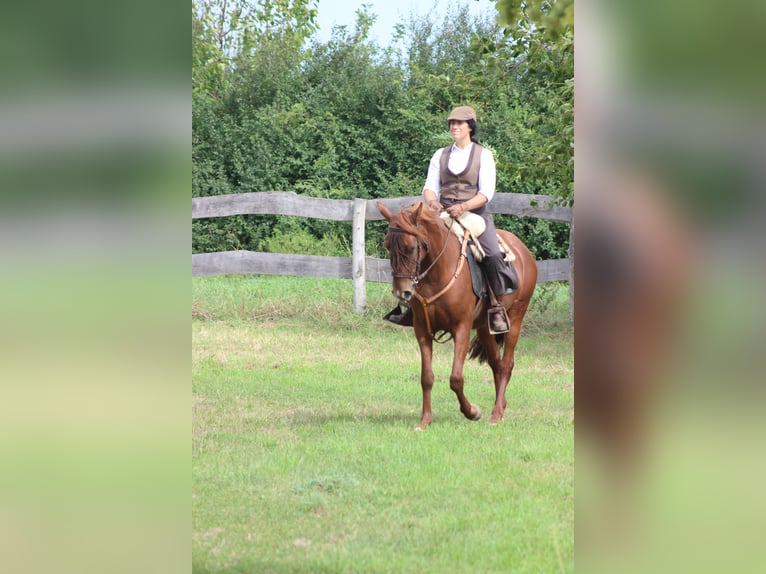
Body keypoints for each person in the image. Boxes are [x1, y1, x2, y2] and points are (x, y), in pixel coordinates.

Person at [386, 105, 518, 333]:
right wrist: (432, 201)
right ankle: (410, 305)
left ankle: (496, 306)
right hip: (443, 212)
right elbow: (429, 187)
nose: (455, 127)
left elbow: (487, 192)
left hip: (474, 214)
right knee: (417, 245)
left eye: (460, 123)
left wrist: (464, 206)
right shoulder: (440, 154)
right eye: (452, 123)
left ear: (470, 127)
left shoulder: (483, 155)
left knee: (493, 254)